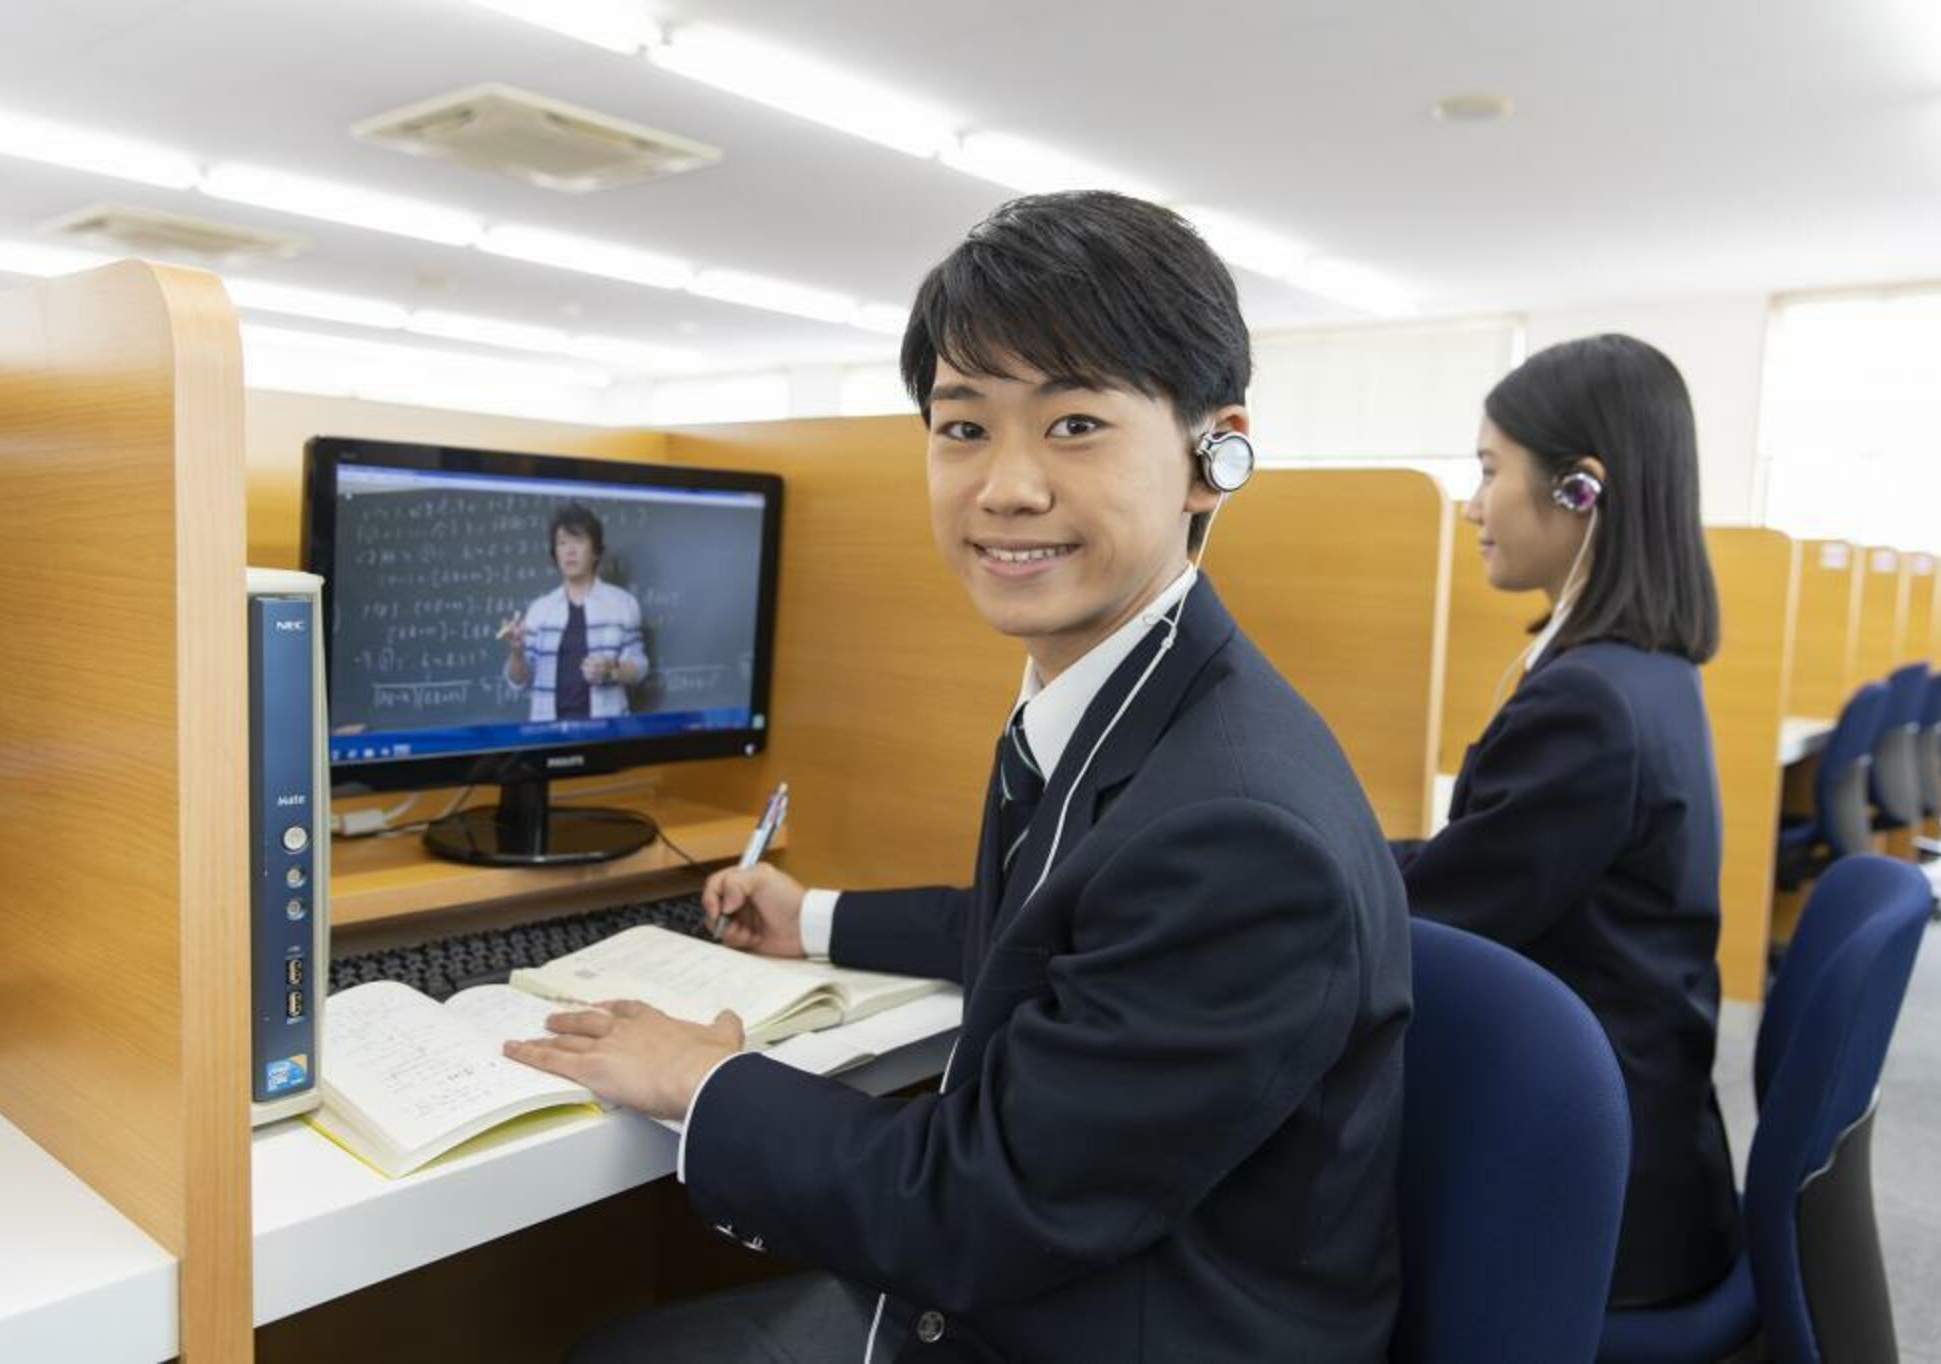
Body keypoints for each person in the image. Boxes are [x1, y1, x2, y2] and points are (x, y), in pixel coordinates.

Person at [506, 191, 1411, 1362]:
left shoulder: (1238, 829)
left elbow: (977, 1208)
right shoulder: (1133, 695)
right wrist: (813, 915)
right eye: (963, 426)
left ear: (1210, 453)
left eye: (1074, 423)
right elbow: (1053, 928)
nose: (1005, 487)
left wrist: (705, 1076)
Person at [1393, 333, 1739, 1308]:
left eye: (1488, 469)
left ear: (1580, 489)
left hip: (1593, 1201)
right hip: (1655, 1153)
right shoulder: (1646, 673)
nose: (1470, 504)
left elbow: (1431, 921)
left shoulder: (1587, 704)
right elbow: (1474, 868)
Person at [500, 502, 648, 722]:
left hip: (607, 732)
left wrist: (612, 670)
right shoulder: (540, 610)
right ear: (555, 553)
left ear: (595, 551)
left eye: (578, 541)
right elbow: (519, 681)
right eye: (562, 543)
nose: (570, 551)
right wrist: (516, 653)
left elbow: (640, 667)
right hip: (548, 734)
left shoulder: (622, 604)